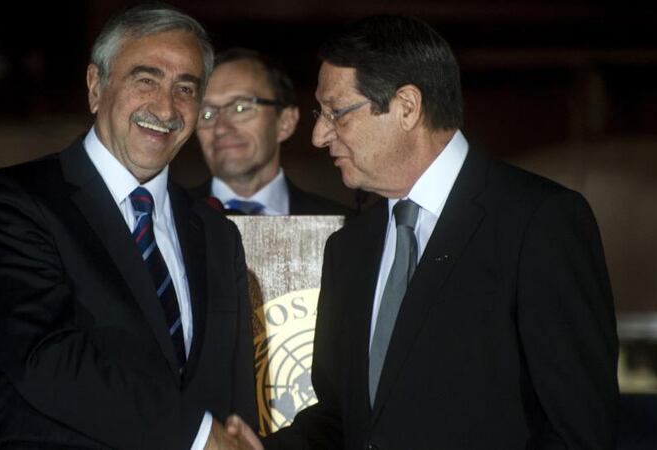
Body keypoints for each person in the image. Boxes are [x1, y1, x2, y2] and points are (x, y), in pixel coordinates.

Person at [229, 14, 618, 450]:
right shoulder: (350, 246)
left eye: (336, 112)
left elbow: (578, 432)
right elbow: (343, 418)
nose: (319, 135)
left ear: (407, 107)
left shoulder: (540, 222)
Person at [0, 5, 257, 449]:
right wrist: (197, 436)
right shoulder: (15, 202)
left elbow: (234, 400)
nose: (166, 107)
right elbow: (45, 359)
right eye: (146, 80)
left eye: (185, 89)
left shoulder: (216, 235)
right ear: (96, 87)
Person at [192, 48, 350, 216]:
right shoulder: (167, 219)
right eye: (207, 113)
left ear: (285, 122)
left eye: (240, 108)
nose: (221, 128)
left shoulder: (343, 226)